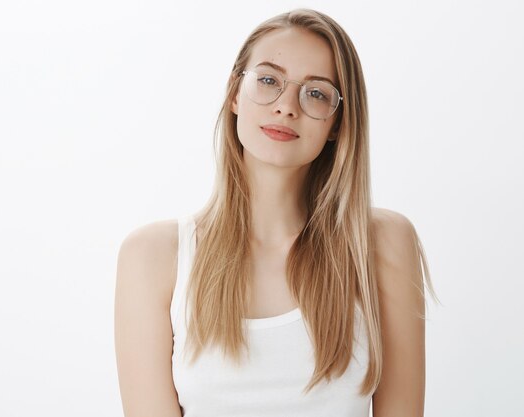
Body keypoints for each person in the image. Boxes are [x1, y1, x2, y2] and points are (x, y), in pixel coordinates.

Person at [114, 8, 438, 417]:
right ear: (234, 93)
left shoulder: (382, 244)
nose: (287, 106)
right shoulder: (154, 257)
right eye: (268, 80)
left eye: (316, 92)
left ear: (338, 122)